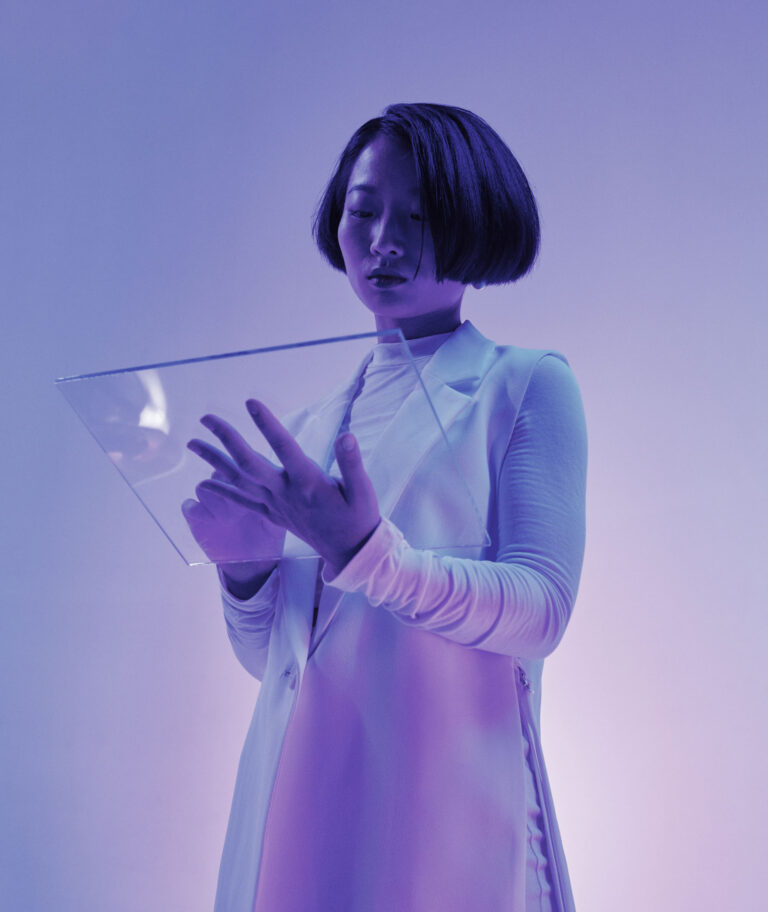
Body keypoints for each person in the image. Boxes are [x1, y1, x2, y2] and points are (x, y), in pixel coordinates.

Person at [182, 103, 587, 912]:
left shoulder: (525, 385)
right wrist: (245, 573)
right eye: (362, 211)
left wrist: (371, 554)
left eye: (419, 216)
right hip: (299, 801)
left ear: (477, 218)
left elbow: (541, 611)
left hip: (441, 811)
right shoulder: (312, 429)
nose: (383, 241)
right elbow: (277, 658)